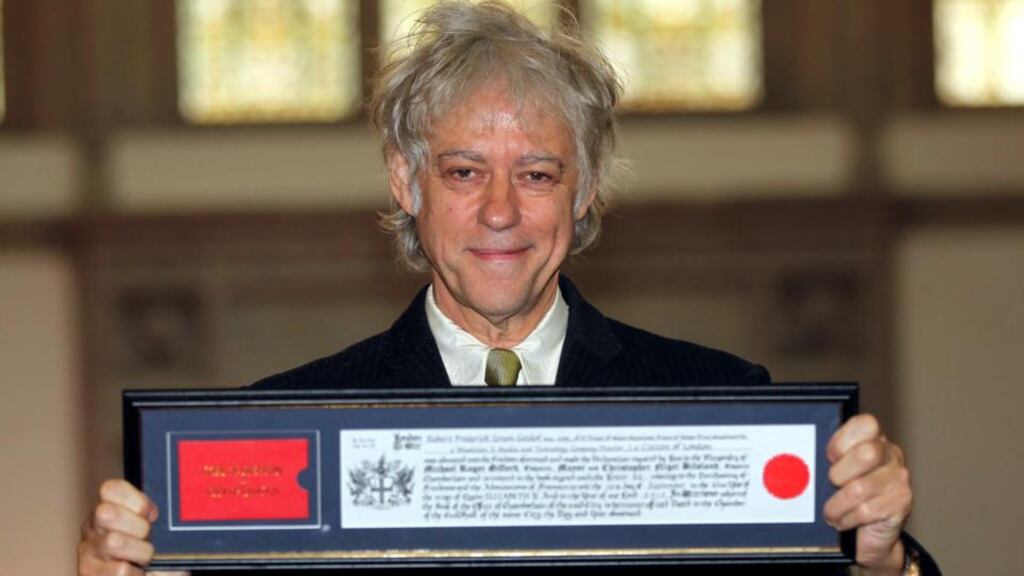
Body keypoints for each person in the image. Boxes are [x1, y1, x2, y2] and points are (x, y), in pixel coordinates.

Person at [78, 2, 938, 575]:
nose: (499, 212)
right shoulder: (288, 424)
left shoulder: (728, 417)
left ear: (587, 189)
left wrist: (880, 557)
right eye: (462, 172)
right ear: (405, 183)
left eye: (535, 173)